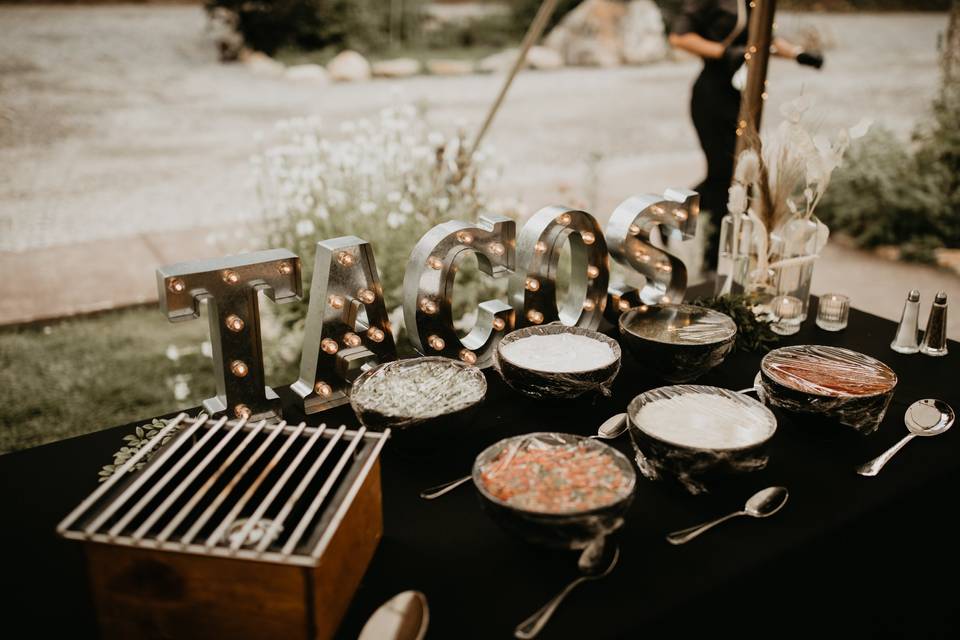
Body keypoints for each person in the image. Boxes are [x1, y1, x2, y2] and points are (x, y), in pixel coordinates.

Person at [668, 0, 823, 267]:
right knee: (724, 175)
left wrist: (799, 54)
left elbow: (763, 40)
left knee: (735, 176)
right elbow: (679, 37)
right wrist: (724, 52)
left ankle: (679, 220)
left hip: (737, 97)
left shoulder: (754, 4)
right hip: (710, 95)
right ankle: (704, 248)